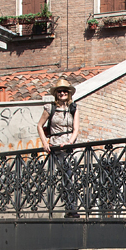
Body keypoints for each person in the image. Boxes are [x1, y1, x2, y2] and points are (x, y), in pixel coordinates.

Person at [37, 78, 81, 217]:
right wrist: (45, 143)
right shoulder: (50, 108)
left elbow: (76, 129)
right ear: (56, 94)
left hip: (69, 147)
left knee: (70, 177)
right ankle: (61, 209)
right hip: (55, 147)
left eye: (64, 91)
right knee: (60, 177)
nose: (62, 93)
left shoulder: (73, 108)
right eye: (59, 91)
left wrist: (70, 142)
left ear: (69, 93)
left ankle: (71, 208)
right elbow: (39, 125)